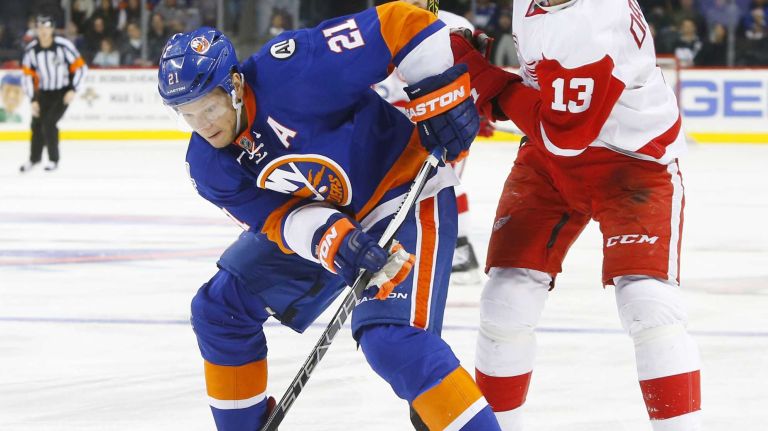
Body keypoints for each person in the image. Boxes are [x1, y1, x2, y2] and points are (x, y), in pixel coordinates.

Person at [157, 3, 502, 430]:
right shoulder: (209, 166)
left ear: (233, 84)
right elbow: (279, 220)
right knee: (219, 310)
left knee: (393, 342)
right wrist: (335, 240)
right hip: (332, 215)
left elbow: (400, 22)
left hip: (402, 190)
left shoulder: (295, 68)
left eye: (208, 108)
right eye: (187, 116)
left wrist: (440, 97)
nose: (203, 126)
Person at [450, 0, 701, 429]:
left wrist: (487, 83)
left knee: (648, 305)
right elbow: (546, 95)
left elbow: (565, 134)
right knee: (505, 301)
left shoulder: (594, 20)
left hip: (632, 160)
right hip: (548, 160)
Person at [373, 0, 488, 284]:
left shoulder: (455, 26)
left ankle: (459, 251)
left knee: (443, 184)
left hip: (444, 122)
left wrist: (477, 105)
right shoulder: (378, 23)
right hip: (395, 122)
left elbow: (469, 77)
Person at [20, 15, 87, 172]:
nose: (43, 31)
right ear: (37, 29)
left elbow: (81, 67)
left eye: (47, 27)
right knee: (36, 124)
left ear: (52, 29)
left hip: (62, 92)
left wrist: (73, 89)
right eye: (40, 27)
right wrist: (32, 99)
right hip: (42, 93)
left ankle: (53, 160)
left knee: (49, 123)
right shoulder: (31, 50)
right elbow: (27, 76)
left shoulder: (63, 46)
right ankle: (34, 159)